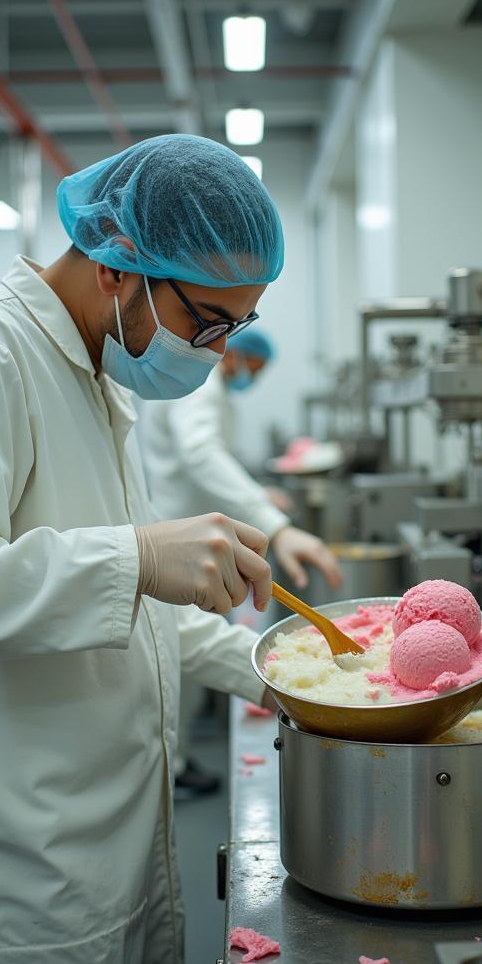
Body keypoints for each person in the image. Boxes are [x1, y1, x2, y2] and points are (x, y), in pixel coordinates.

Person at [0, 134, 285, 964]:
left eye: (235, 328)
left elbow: (119, 603)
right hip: (9, 870)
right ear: (119, 268)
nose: (213, 349)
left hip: (100, 839)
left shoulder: (97, 377)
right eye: (207, 319)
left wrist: (276, 670)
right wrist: (135, 556)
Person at [140, 326, 342, 798]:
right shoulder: (200, 386)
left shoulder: (202, 389)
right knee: (178, 659)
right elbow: (202, 454)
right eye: (253, 366)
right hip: (182, 543)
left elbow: (210, 463)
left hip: (190, 535)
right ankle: (175, 761)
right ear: (235, 354)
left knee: (186, 648)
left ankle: (178, 755)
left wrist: (255, 498)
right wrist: (272, 521)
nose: (252, 375)